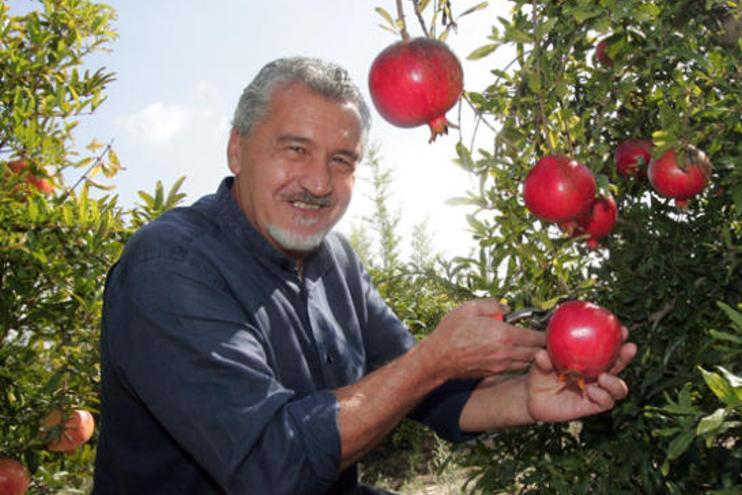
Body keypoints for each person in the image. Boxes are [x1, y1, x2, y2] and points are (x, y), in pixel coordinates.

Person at [92, 56, 637, 495]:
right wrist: (435, 359)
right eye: (295, 149)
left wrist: (526, 399)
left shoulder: (338, 263)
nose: (319, 182)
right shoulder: (170, 267)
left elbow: (424, 391)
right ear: (238, 149)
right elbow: (271, 465)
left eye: (342, 161)